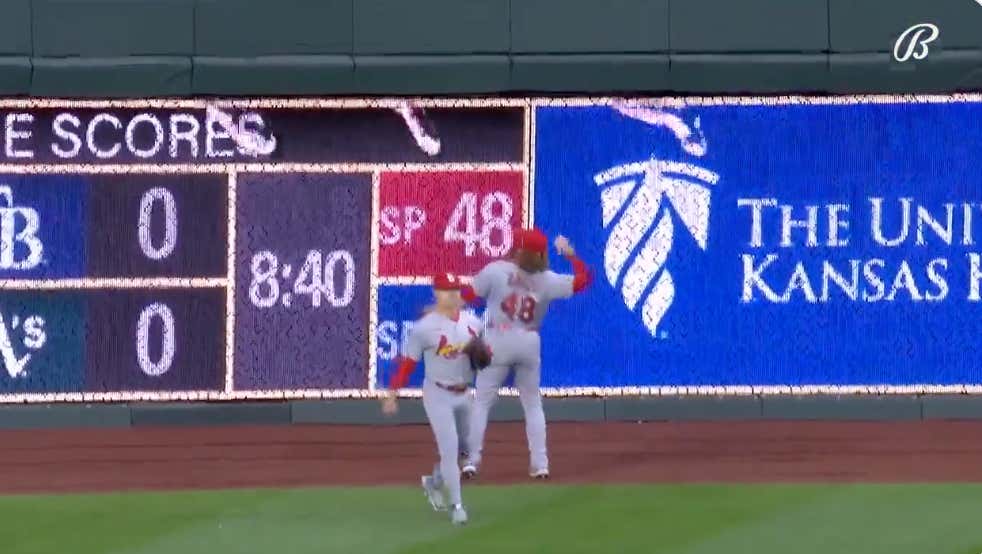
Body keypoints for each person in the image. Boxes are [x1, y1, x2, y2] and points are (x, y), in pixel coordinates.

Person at [460, 228, 592, 479]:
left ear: (518, 249)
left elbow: (468, 294)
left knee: (482, 403)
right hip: (529, 340)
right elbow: (583, 280)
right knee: (532, 405)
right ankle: (540, 464)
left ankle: (471, 461)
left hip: (498, 339)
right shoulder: (548, 280)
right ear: (542, 254)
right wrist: (570, 254)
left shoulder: (496, 270)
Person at [380, 273, 484, 525]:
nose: (453, 294)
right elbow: (407, 364)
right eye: (447, 290)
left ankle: (434, 482)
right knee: (449, 451)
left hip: (464, 393)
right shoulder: (424, 328)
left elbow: (483, 358)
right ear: (437, 293)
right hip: (437, 394)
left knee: (471, 452)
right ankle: (457, 506)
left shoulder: (473, 323)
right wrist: (393, 395)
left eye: (456, 289)